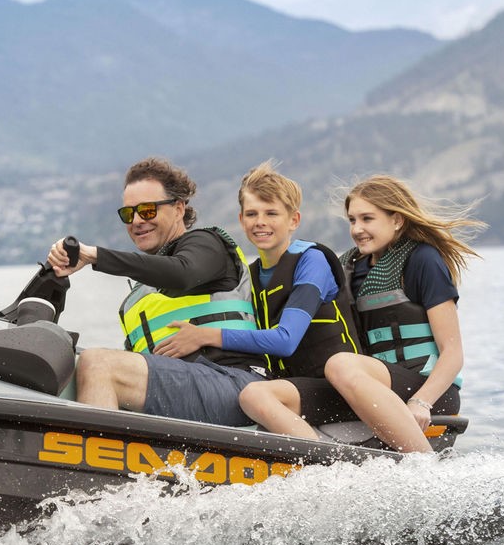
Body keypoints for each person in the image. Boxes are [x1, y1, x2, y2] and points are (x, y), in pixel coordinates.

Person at [238, 175, 487, 452]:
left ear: (397, 220)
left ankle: (425, 465)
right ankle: (324, 465)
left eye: (367, 219)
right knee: (255, 395)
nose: (357, 229)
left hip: (426, 389)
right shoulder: (348, 266)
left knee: (340, 365)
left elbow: (453, 353)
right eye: (352, 220)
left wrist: (421, 402)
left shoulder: (422, 260)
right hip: (358, 386)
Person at [46, 157, 265, 426]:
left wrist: (95, 256)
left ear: (179, 209)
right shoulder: (136, 299)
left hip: (234, 385)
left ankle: (98, 450)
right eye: (129, 214)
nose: (137, 220)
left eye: (148, 210)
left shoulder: (206, 244)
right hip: (184, 391)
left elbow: (182, 273)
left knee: (98, 364)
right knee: (77, 365)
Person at [153, 161, 359, 382]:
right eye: (251, 214)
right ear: (241, 221)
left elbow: (286, 340)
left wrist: (204, 336)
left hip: (339, 383)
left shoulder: (312, 261)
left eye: (271, 213)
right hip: (288, 386)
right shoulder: (249, 277)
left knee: (254, 394)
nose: (260, 222)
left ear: (294, 220)